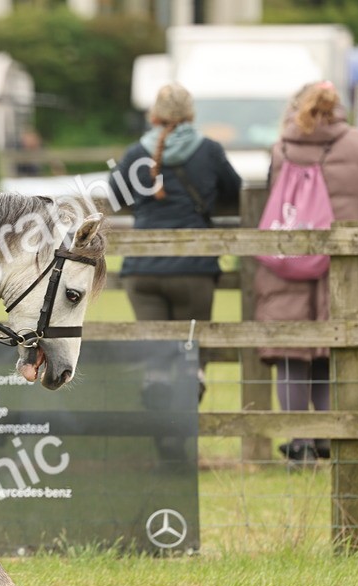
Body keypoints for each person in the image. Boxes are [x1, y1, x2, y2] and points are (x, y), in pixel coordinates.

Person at [109, 83, 241, 399]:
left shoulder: (135, 153)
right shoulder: (209, 151)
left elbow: (114, 197)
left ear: (154, 114)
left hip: (142, 270)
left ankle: (157, 405)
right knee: (189, 351)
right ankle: (188, 402)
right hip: (193, 269)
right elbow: (236, 193)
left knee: (156, 353)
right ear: (190, 114)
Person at [256, 82, 358, 463]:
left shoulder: (282, 146)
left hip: (288, 262)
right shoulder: (357, 145)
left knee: (291, 354)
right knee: (331, 353)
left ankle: (297, 441)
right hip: (343, 268)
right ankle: (329, 437)